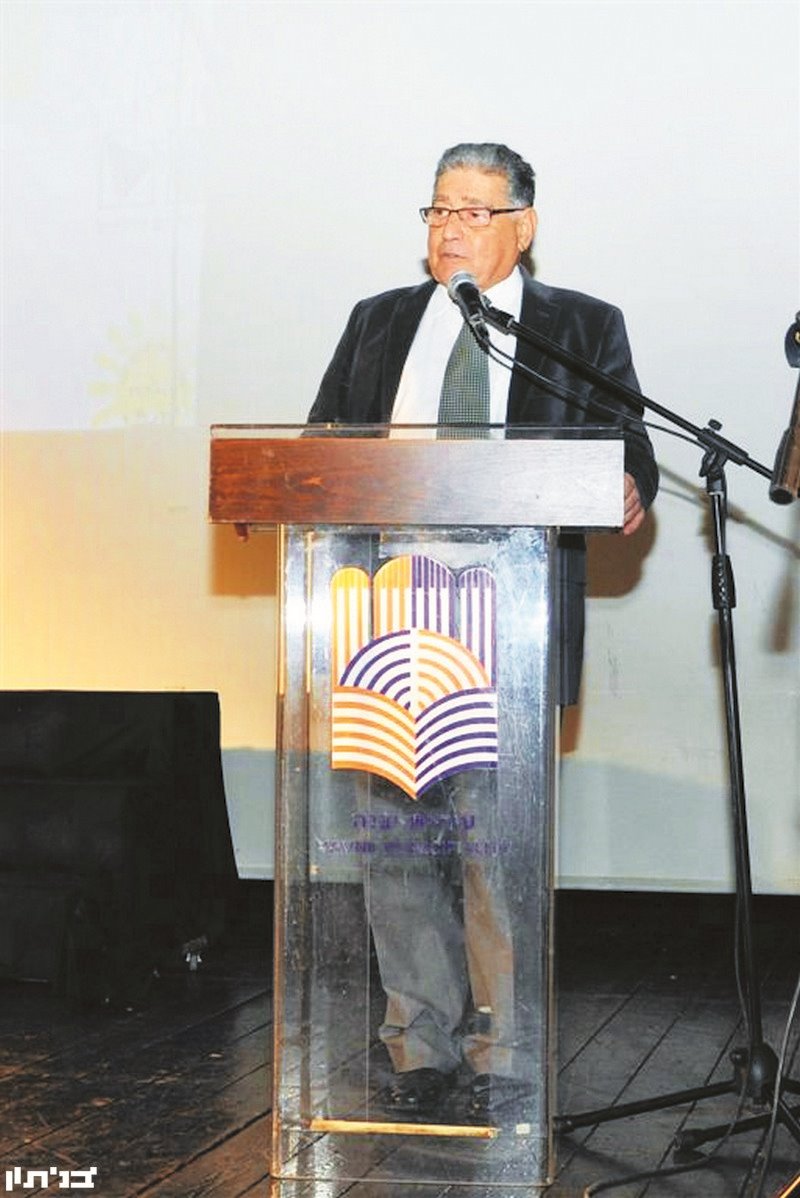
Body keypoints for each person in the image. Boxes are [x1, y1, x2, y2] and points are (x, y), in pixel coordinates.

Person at [307, 143, 658, 1122]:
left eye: (471, 211)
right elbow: (323, 440)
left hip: (509, 611)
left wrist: (629, 484)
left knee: (494, 851)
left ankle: (504, 1049)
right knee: (395, 848)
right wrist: (281, 488)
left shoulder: (579, 326)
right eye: (437, 210)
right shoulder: (378, 320)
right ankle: (417, 1044)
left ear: (521, 225)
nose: (448, 228)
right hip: (389, 610)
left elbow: (626, 445)